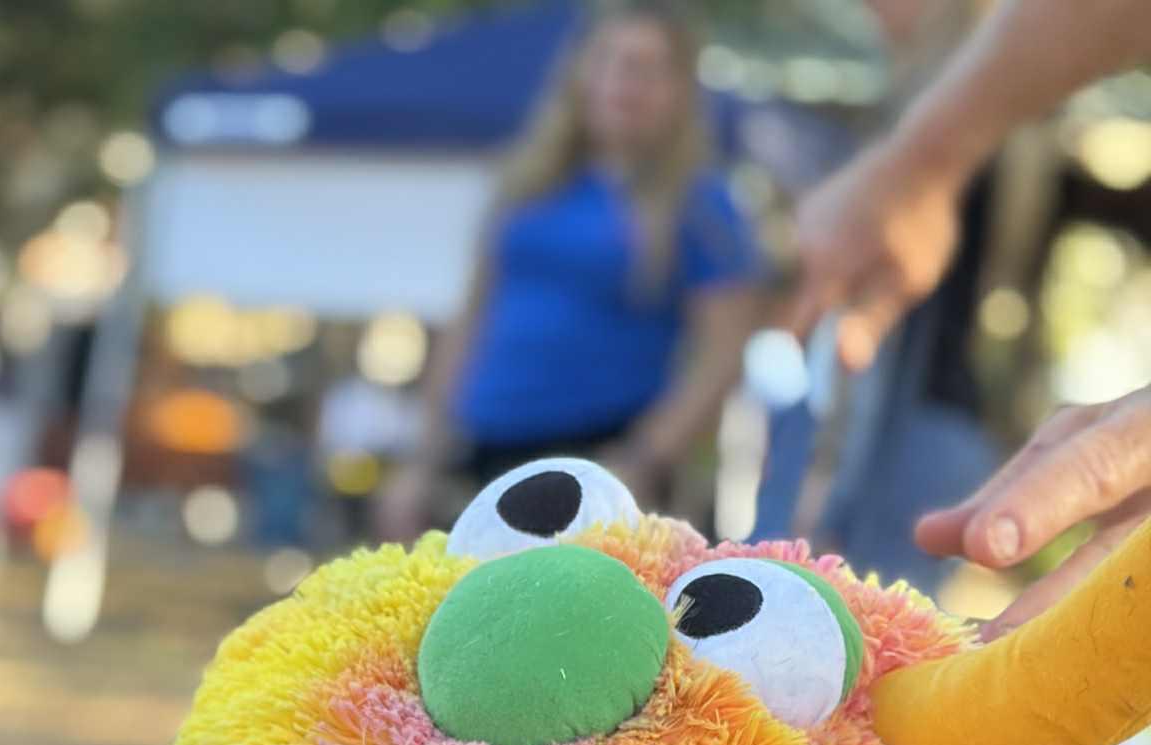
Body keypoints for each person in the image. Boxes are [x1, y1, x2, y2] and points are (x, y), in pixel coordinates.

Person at [790, 0, 1151, 631]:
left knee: (878, 599)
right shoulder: (912, 120)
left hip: (951, 398)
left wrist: (920, 165)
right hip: (889, 395)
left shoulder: (1016, 132)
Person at [376, 3, 761, 538]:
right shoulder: (528, 184)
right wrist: (422, 458)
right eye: (610, 61)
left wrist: (644, 458)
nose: (624, 83)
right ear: (581, 73)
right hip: (482, 449)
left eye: (646, 68)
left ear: (678, 90)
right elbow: (471, 320)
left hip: (598, 455)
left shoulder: (700, 203)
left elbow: (722, 353)